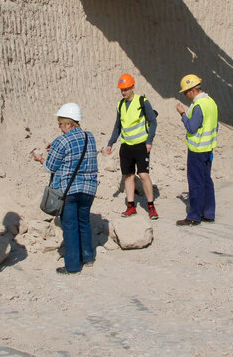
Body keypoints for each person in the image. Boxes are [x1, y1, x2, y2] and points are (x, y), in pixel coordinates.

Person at [32, 102, 98, 274]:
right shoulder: (89, 137)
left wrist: (41, 159)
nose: (59, 127)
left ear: (69, 124)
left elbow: (50, 167)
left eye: (61, 124)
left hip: (68, 191)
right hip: (89, 188)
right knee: (84, 222)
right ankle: (88, 256)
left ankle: (73, 266)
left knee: (70, 227)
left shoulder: (61, 141)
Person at [103, 73, 159, 219]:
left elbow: (153, 122)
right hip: (126, 146)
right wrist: (111, 142)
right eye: (121, 89)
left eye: (126, 89)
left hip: (141, 145)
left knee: (143, 175)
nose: (123, 92)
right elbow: (118, 126)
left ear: (133, 87)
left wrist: (149, 141)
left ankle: (151, 206)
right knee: (128, 176)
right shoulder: (120, 104)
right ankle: (130, 206)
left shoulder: (142, 101)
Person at [174, 74, 218, 226]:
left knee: (196, 182)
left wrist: (182, 114)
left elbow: (192, 127)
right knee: (207, 180)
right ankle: (208, 213)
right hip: (208, 148)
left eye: (185, 92)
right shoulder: (211, 102)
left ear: (192, 90)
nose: (185, 95)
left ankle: (194, 216)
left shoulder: (199, 105)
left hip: (197, 149)